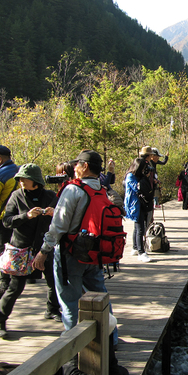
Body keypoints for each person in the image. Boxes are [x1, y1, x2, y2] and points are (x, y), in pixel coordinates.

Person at [32, 150, 128, 375]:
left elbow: (59, 226)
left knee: (69, 304)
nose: (73, 167)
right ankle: (110, 337)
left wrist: (43, 251)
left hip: (70, 254)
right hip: (94, 254)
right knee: (100, 294)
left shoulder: (73, 190)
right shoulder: (101, 189)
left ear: (84, 167)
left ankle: (73, 353)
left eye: (77, 164)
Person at [0, 164, 60, 338]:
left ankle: (52, 309)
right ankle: (1, 320)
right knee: (15, 287)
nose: (20, 182)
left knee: (52, 280)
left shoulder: (49, 196)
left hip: (44, 247)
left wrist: (53, 213)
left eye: (23, 179)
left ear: (34, 181)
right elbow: (7, 221)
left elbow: (62, 217)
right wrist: (26, 216)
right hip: (21, 248)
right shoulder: (16, 196)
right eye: (19, 179)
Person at [0, 146, 19, 299]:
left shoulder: (2, 174)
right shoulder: (19, 171)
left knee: (2, 250)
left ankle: (4, 282)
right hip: (19, 219)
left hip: (3, 218)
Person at [124, 158, 151, 263]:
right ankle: (141, 252)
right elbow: (138, 188)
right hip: (135, 205)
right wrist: (145, 178)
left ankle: (135, 247)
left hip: (140, 204)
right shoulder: (131, 176)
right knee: (140, 228)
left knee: (137, 227)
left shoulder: (137, 176)